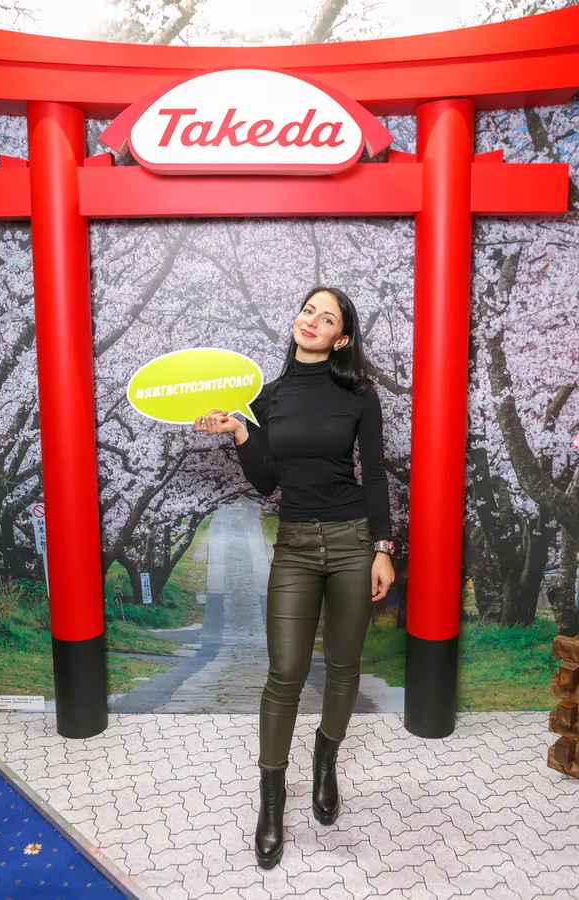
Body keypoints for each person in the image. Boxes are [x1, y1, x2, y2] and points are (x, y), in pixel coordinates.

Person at [195, 287, 395, 868]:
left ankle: (326, 763)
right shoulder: (268, 397)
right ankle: (272, 801)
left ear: (342, 338)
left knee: (344, 664)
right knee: (285, 672)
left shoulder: (360, 395)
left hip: (353, 541)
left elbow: (374, 474)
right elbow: (266, 481)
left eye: (326, 318)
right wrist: (240, 432)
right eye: (308, 310)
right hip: (296, 545)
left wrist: (383, 548)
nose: (311, 321)